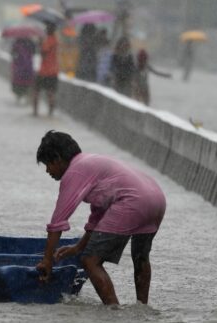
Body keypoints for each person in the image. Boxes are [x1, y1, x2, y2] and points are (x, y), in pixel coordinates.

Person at [34, 131, 165, 305]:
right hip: (156, 198)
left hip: (132, 202)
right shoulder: (91, 162)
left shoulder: (74, 172)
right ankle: (143, 308)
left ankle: (113, 311)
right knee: (140, 257)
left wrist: (47, 260)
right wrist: (79, 246)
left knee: (90, 260)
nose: (47, 171)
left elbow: (57, 223)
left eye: (47, 164)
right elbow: (98, 217)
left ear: (57, 158)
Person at [32, 23, 59, 116]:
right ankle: (50, 113)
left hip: (44, 71)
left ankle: (35, 112)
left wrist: (40, 43)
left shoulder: (49, 40)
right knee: (51, 92)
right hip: (53, 70)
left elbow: (43, 53)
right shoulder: (56, 40)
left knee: (36, 91)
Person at [10, 37, 36, 103]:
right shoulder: (31, 44)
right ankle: (26, 97)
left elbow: (13, 54)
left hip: (19, 68)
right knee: (27, 83)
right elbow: (34, 52)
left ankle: (19, 96)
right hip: (28, 68)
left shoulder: (16, 44)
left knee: (18, 83)